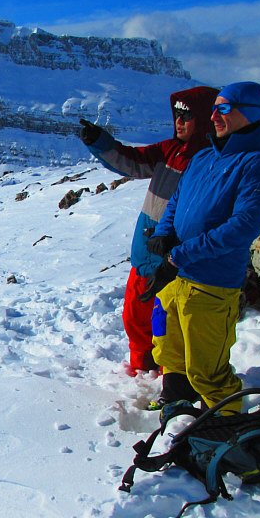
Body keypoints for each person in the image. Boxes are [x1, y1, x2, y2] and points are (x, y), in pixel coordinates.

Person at [140, 81, 260, 414]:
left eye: (224, 108)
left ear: (251, 114)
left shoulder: (257, 167)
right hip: (175, 275)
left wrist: (178, 255)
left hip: (210, 283)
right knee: (168, 344)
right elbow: (177, 199)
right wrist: (164, 235)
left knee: (208, 367)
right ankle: (175, 400)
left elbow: (241, 228)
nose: (215, 116)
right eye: (214, 108)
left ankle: (223, 429)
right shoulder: (204, 156)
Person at [79, 86, 219, 374]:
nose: (179, 121)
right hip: (145, 251)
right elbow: (132, 161)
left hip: (174, 258)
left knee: (167, 322)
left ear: (205, 118)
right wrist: (100, 142)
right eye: (177, 114)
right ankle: (143, 371)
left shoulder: (209, 161)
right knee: (135, 316)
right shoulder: (170, 150)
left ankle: (171, 376)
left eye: (187, 115)